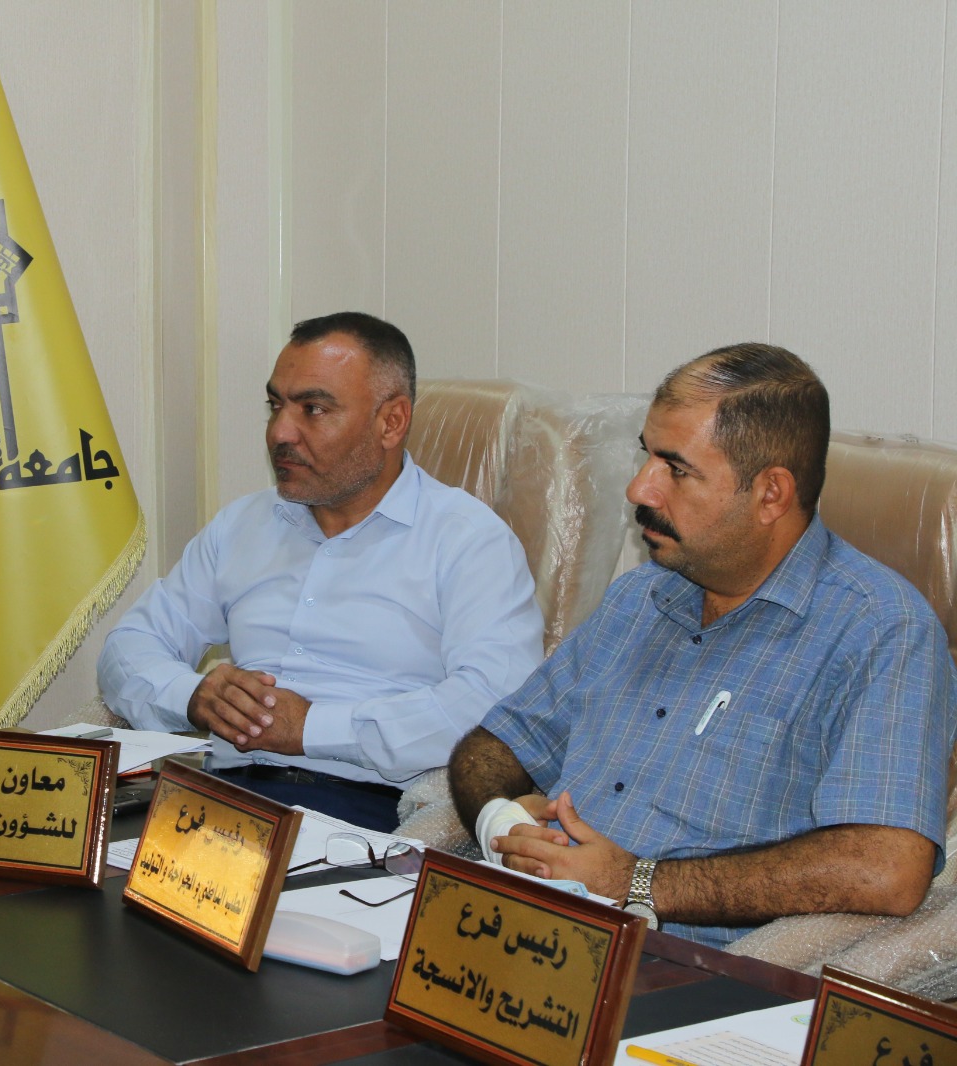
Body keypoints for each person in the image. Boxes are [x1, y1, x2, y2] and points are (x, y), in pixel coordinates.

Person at [448, 343, 957, 947]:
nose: (640, 488)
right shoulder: (640, 598)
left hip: (687, 970)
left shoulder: (880, 631)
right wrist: (501, 822)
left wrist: (635, 884)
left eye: (676, 469)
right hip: (529, 933)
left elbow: (886, 868)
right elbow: (493, 745)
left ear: (770, 494)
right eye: (646, 455)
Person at [98, 311, 545, 831]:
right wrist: (193, 697)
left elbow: (493, 709)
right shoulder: (243, 525)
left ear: (391, 422)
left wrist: (311, 727)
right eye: (276, 406)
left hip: (360, 812)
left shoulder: (468, 541)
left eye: (313, 409)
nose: (280, 432)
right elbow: (129, 646)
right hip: (215, 799)